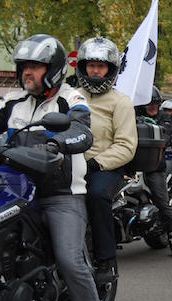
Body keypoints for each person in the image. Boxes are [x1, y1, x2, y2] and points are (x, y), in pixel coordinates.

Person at [0, 34, 107, 301]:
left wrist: (56, 142)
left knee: (70, 261)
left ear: (54, 69)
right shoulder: (12, 102)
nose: (26, 73)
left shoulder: (71, 100)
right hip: (13, 189)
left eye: (34, 66)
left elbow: (81, 131)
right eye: (24, 67)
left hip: (60, 195)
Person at [76, 37, 138, 285]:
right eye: (91, 65)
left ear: (111, 70)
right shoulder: (70, 97)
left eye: (100, 67)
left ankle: (106, 260)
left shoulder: (120, 102)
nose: (95, 70)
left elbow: (126, 145)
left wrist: (95, 163)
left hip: (104, 167)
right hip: (69, 165)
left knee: (96, 194)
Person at [135, 86, 172, 258]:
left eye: (154, 104)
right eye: (148, 104)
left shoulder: (164, 117)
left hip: (153, 165)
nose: (152, 108)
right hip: (131, 164)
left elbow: (165, 136)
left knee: (162, 201)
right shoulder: (134, 114)